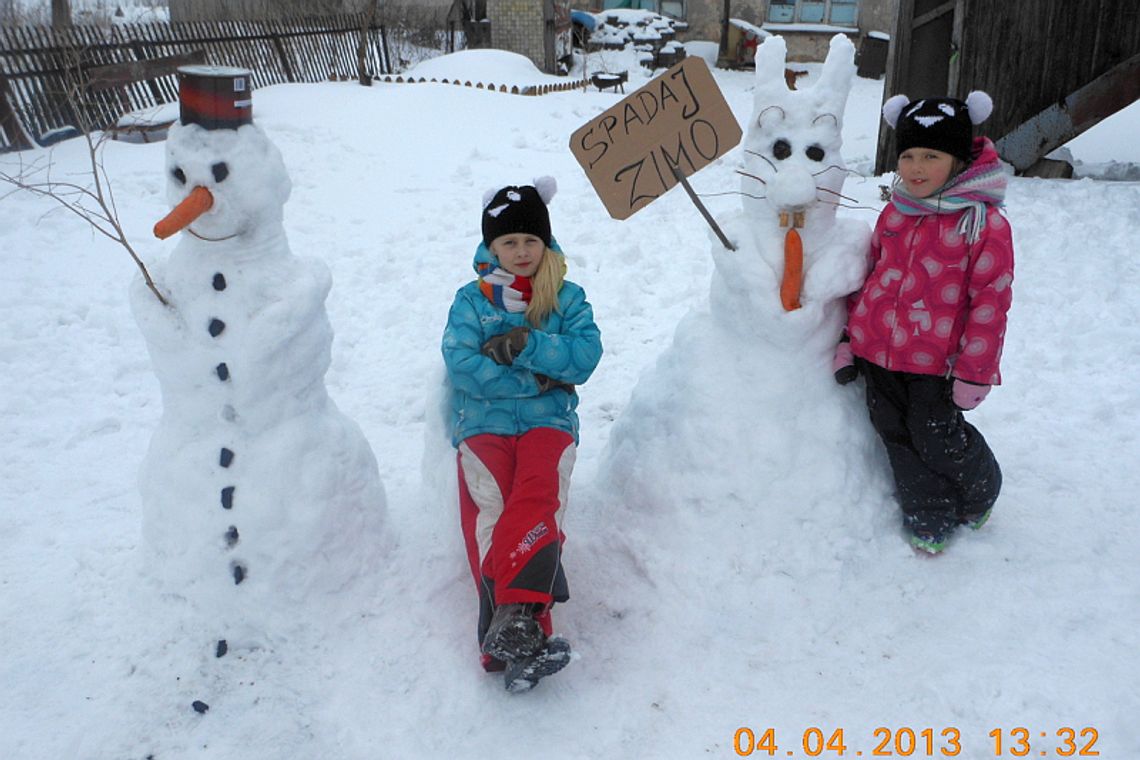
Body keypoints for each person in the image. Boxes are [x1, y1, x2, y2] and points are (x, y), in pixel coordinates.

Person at [833, 91, 1014, 554]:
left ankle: (980, 488)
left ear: (958, 160)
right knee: (895, 435)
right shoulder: (896, 211)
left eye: (930, 156)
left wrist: (975, 371)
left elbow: (990, 303)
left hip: (938, 363)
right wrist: (849, 339)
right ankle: (928, 514)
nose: (915, 167)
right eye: (908, 155)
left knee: (934, 436)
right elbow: (871, 280)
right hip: (879, 352)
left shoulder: (982, 223)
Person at [441, 177, 603, 690]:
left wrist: (529, 346)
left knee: (537, 499)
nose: (521, 251)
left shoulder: (566, 298)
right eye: (508, 242)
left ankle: (513, 629)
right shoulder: (471, 301)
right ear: (490, 247)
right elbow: (460, 362)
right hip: (484, 425)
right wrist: (538, 379)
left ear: (546, 242)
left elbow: (585, 356)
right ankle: (523, 633)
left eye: (531, 240)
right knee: (491, 510)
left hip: (547, 423)